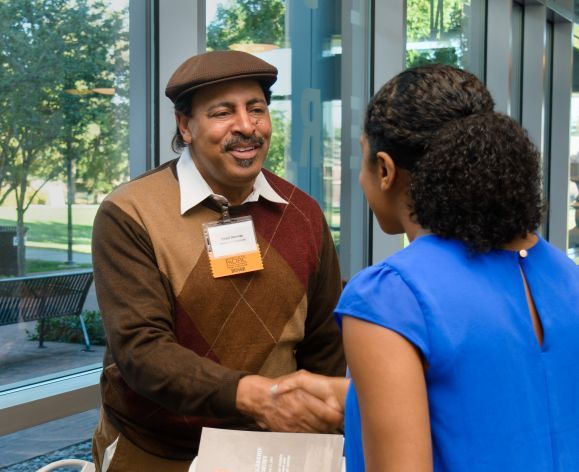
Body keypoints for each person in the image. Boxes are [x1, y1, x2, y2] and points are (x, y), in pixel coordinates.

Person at [277, 64, 579, 471]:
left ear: (384, 169)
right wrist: (356, 399)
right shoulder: (564, 273)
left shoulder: (390, 296)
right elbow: (504, 401)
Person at [90, 50, 346, 471]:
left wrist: (321, 427)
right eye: (223, 113)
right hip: (158, 451)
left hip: (274, 450)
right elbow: (142, 351)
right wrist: (256, 396)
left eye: (257, 110)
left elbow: (325, 345)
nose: (246, 127)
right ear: (185, 126)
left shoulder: (304, 214)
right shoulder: (130, 213)